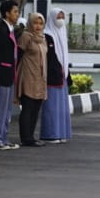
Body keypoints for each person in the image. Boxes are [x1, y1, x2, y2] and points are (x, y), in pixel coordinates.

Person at [0, 0, 22, 151]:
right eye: (15, 11)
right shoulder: (1, 30)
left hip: (10, 73)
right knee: (0, 108)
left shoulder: (10, 29)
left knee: (7, 109)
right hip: (3, 73)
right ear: (7, 13)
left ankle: (3, 136)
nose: (17, 14)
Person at [16, 12, 48, 147]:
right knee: (28, 106)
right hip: (28, 75)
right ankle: (26, 138)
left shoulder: (42, 38)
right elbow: (18, 55)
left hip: (40, 77)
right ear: (30, 23)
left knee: (36, 107)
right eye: (35, 23)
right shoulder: (26, 36)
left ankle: (31, 136)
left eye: (41, 23)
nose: (38, 26)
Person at [40, 8, 71, 143]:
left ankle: (61, 133)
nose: (61, 19)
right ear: (52, 18)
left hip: (62, 75)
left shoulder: (62, 32)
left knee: (62, 107)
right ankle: (50, 134)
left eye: (62, 16)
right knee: (51, 106)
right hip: (52, 76)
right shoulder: (47, 34)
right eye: (58, 16)